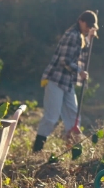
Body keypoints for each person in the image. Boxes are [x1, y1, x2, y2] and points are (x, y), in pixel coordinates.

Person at [33, 10, 98, 153]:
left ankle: (72, 147)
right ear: (81, 21)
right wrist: (80, 71)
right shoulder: (72, 35)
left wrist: (88, 38)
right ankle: (37, 149)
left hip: (67, 82)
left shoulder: (79, 36)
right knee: (51, 117)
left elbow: (78, 50)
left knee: (74, 116)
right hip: (56, 80)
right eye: (87, 26)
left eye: (90, 27)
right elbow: (65, 60)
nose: (88, 28)